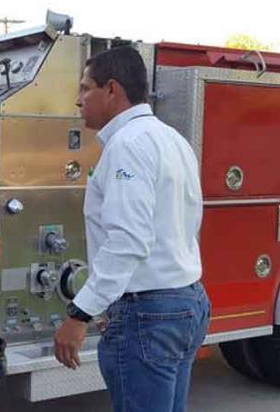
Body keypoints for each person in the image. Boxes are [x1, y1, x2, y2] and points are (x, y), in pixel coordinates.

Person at [53, 46, 210, 412]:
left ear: (112, 89)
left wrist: (80, 314)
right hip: (186, 302)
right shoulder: (173, 140)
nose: (79, 100)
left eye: (85, 88)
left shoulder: (128, 146)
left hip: (150, 312)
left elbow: (128, 240)